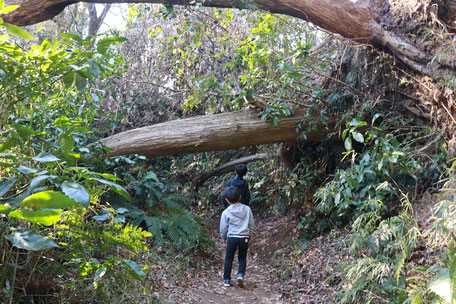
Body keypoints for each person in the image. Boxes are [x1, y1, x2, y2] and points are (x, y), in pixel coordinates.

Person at [220, 186, 255, 287]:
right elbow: (251, 223)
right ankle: (240, 275)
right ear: (240, 197)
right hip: (244, 237)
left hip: (232, 237)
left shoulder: (226, 212)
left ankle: (226, 279)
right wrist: (251, 234)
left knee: (228, 258)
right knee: (242, 258)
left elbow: (223, 227)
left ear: (227, 200)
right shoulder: (247, 209)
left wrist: (223, 237)